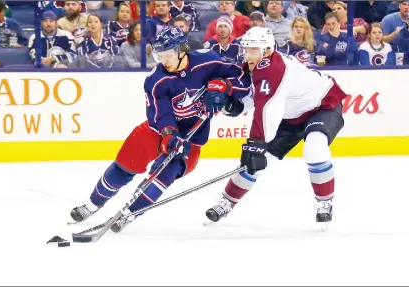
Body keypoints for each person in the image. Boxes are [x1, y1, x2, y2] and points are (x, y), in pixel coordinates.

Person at [68, 27, 252, 233]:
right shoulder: (156, 80)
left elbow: (244, 80)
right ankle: (92, 205)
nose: (164, 60)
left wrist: (225, 87)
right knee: (124, 167)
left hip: (193, 137)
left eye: (168, 55)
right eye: (160, 55)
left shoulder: (209, 61)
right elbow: (161, 115)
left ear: (182, 50)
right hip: (158, 132)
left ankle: (130, 213)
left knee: (166, 173)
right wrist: (170, 136)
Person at [203, 26, 347, 226]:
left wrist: (256, 144)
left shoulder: (275, 68)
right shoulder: (253, 68)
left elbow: (267, 109)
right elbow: (248, 101)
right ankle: (226, 202)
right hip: (290, 118)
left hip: (323, 106)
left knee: (315, 147)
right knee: (253, 164)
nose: (248, 55)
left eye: (253, 50)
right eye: (246, 50)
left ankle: (324, 202)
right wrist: (227, 105)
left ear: (267, 50)